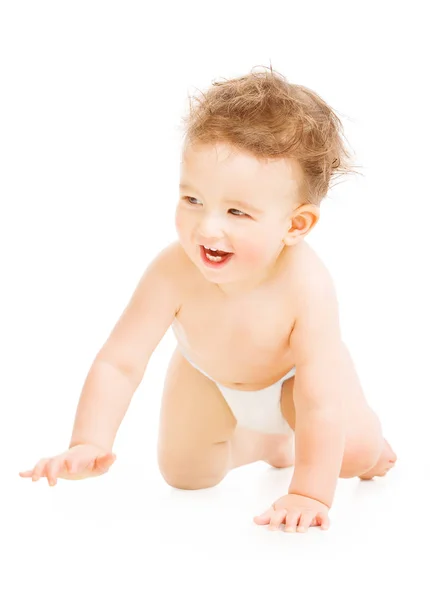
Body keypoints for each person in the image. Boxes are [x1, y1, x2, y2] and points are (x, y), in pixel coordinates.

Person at [19, 65, 397, 533]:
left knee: (350, 451)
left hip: (297, 383)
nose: (207, 227)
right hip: (207, 378)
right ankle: (262, 445)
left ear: (295, 225)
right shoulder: (171, 270)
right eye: (193, 199)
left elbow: (320, 401)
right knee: (185, 476)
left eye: (237, 211)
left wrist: (307, 493)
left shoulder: (307, 286)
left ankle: (365, 448)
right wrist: (88, 440)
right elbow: (120, 361)